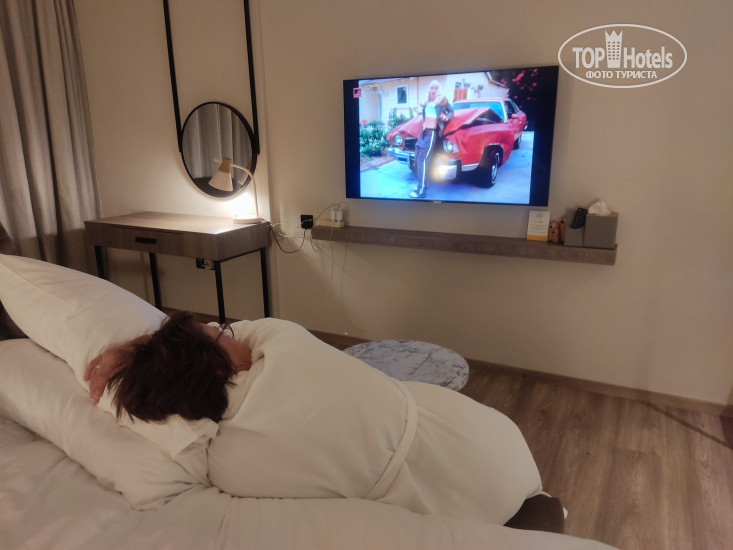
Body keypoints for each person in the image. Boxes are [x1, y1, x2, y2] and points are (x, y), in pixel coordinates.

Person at [85, 312, 542, 526]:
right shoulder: (287, 344)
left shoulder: (227, 464)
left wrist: (143, 367)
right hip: (491, 448)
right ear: (221, 366)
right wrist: (136, 347)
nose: (229, 329)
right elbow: (247, 328)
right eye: (219, 333)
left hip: (454, 508)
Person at [410, 80, 452, 199]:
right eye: (431, 88)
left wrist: (446, 116)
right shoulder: (426, 102)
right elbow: (425, 116)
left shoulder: (442, 101)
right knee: (417, 157)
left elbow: (451, 111)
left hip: (432, 133)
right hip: (423, 132)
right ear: (429, 89)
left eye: (436, 88)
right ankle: (421, 185)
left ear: (439, 90)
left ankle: (421, 190)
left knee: (422, 160)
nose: (433, 90)